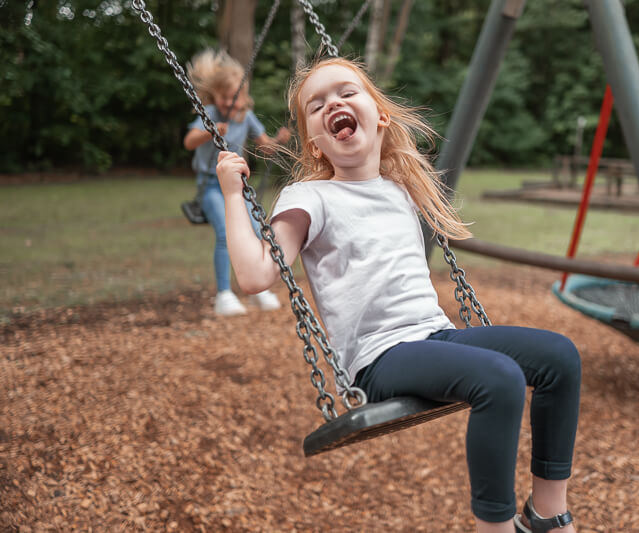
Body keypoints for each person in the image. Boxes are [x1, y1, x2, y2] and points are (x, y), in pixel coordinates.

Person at [216, 57, 581, 533]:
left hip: (434, 336)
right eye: (317, 104)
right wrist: (230, 194)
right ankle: (495, 527)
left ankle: (548, 514)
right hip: (378, 358)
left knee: (560, 357)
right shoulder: (310, 197)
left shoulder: (400, 188)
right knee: (499, 378)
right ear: (314, 142)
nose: (334, 104)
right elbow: (254, 276)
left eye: (347, 93)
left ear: (379, 115)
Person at [183, 48, 291, 316]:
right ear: (214, 95)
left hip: (240, 187)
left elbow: (264, 148)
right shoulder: (209, 112)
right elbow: (189, 142)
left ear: (243, 96)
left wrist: (279, 141)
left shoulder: (246, 117)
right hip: (211, 186)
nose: (228, 102)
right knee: (223, 234)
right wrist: (210, 131)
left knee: (257, 232)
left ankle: (258, 290)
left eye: (234, 96)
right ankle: (224, 295)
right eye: (223, 96)